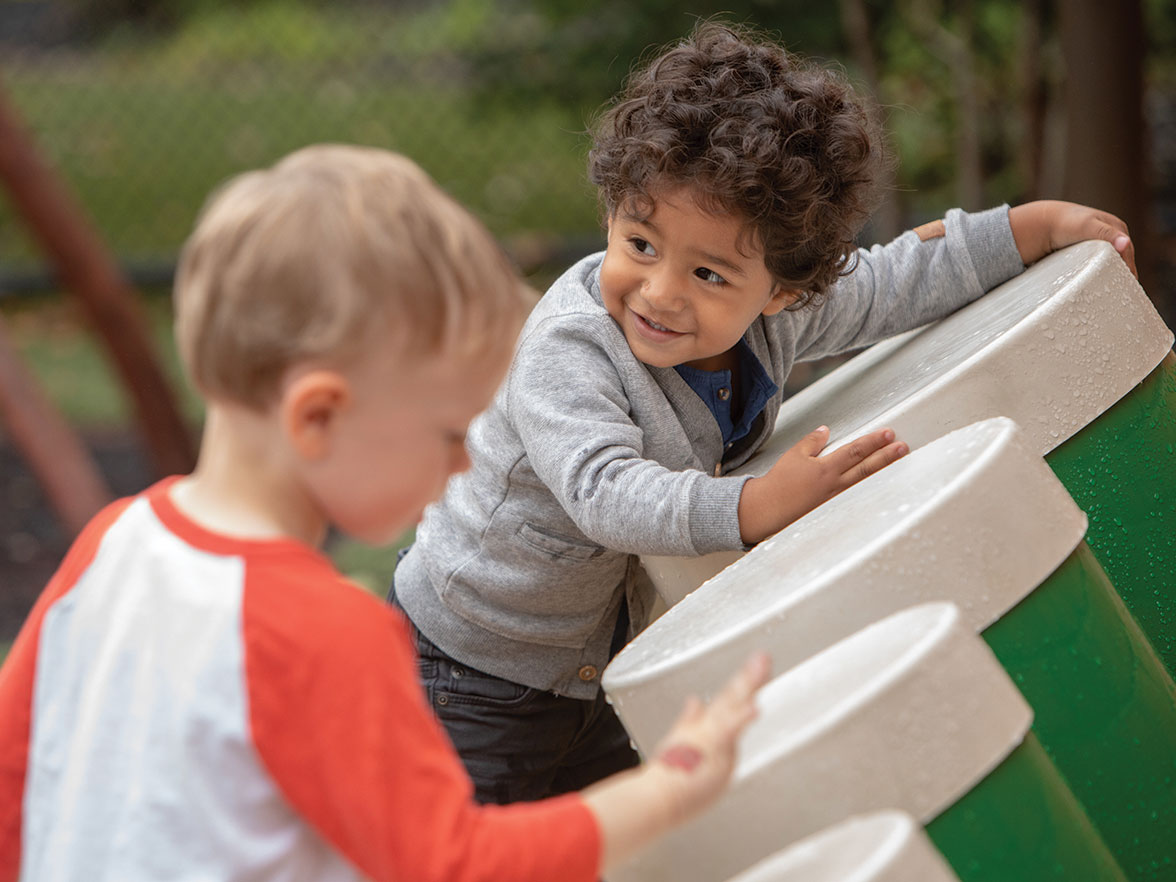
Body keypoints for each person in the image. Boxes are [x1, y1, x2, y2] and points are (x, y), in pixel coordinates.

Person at [390, 19, 1137, 805]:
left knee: (607, 846)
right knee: (474, 855)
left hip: (589, 663)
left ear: (783, 291)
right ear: (612, 212)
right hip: (469, 665)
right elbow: (606, 493)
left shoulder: (776, 319)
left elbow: (889, 285)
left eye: (709, 273)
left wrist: (1030, 230)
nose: (661, 292)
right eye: (640, 243)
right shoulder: (571, 350)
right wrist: (757, 505)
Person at [0, 144, 771, 882]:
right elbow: (449, 864)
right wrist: (669, 786)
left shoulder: (113, 543)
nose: (465, 463)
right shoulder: (324, 632)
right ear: (318, 417)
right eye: (447, 432)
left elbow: (12, 783)